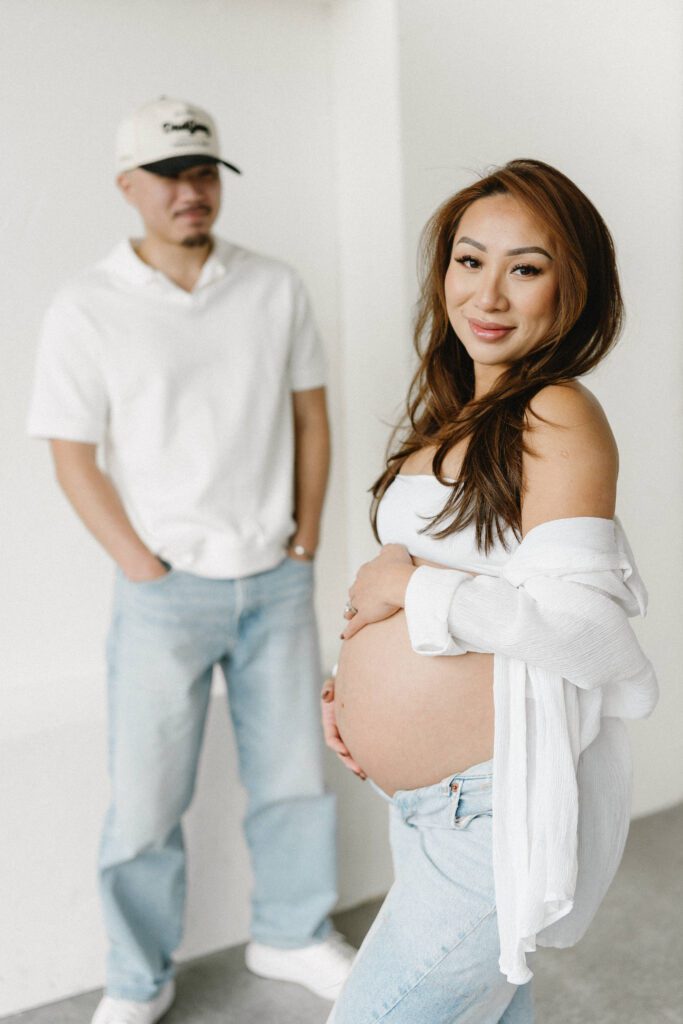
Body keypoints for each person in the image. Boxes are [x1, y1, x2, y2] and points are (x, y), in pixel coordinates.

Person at [28, 97, 354, 1024]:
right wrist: (141, 564)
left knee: (294, 775)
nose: (191, 192)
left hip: (276, 577)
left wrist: (305, 542)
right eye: (170, 176)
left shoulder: (274, 285)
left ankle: (291, 932)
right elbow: (69, 451)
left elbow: (310, 417)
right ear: (128, 187)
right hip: (164, 591)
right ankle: (137, 978)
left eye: (204, 172)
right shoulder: (86, 306)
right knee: (143, 803)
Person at [321, 158, 658, 1023]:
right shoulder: (457, 414)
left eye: (526, 268)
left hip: (490, 812)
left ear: (571, 289)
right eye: (470, 261)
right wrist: (349, 688)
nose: (490, 295)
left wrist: (414, 586)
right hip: (432, 807)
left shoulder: (556, 413)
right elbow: (411, 587)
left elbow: (591, 637)